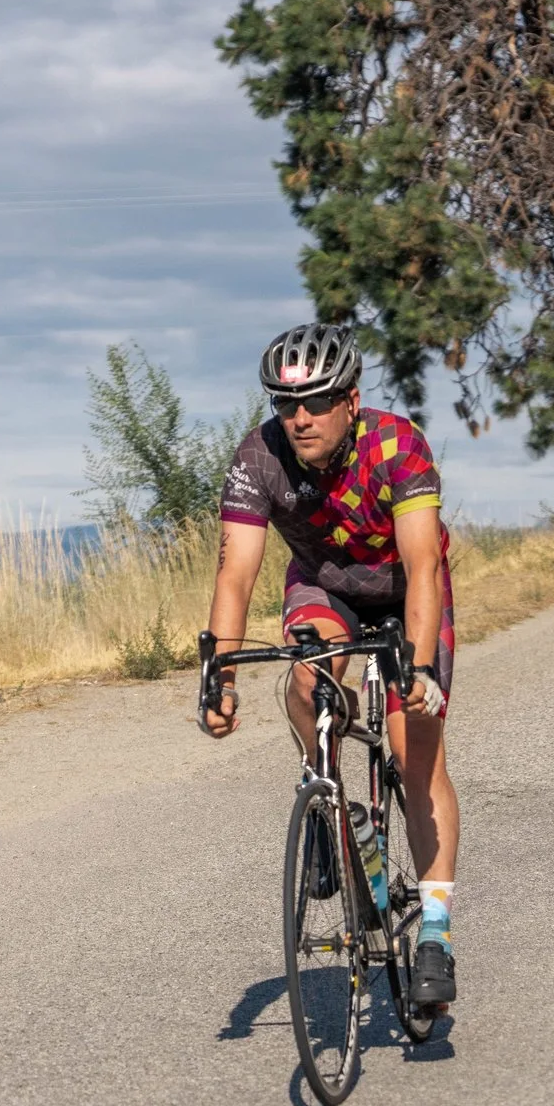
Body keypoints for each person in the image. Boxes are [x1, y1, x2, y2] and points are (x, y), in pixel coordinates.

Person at [200, 323, 462, 1009]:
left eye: (316, 401)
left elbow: (423, 565)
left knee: (414, 751)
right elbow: (235, 575)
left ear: (351, 399)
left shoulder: (396, 444)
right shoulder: (259, 457)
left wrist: (422, 667)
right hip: (326, 587)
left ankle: (434, 931)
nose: (301, 418)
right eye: (288, 405)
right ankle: (330, 806)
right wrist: (221, 677)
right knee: (307, 680)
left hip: (407, 594)